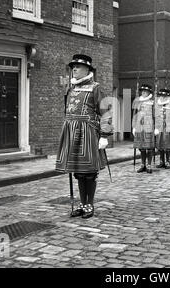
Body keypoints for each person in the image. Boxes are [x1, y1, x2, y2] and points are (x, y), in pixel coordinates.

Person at [56, 54, 113, 218]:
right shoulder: (70, 88)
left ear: (87, 69)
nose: (74, 69)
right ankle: (82, 203)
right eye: (73, 66)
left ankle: (90, 204)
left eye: (78, 66)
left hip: (87, 132)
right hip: (72, 133)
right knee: (79, 172)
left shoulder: (95, 88)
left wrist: (104, 135)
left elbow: (105, 112)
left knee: (89, 172)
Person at [132, 84, 155, 173]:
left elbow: (156, 115)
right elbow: (134, 114)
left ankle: (149, 165)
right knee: (141, 147)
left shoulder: (152, 102)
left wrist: (157, 127)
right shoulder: (137, 101)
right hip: (139, 126)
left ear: (149, 92)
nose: (144, 92)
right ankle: (143, 164)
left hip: (149, 126)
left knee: (149, 147)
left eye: (145, 91)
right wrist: (133, 127)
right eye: (142, 91)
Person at [155, 89, 170, 169]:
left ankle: (167, 161)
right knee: (160, 145)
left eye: (164, 96)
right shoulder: (157, 105)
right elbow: (155, 117)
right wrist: (156, 128)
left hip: (168, 128)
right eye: (161, 96)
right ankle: (161, 161)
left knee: (167, 145)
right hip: (160, 128)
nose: (162, 97)